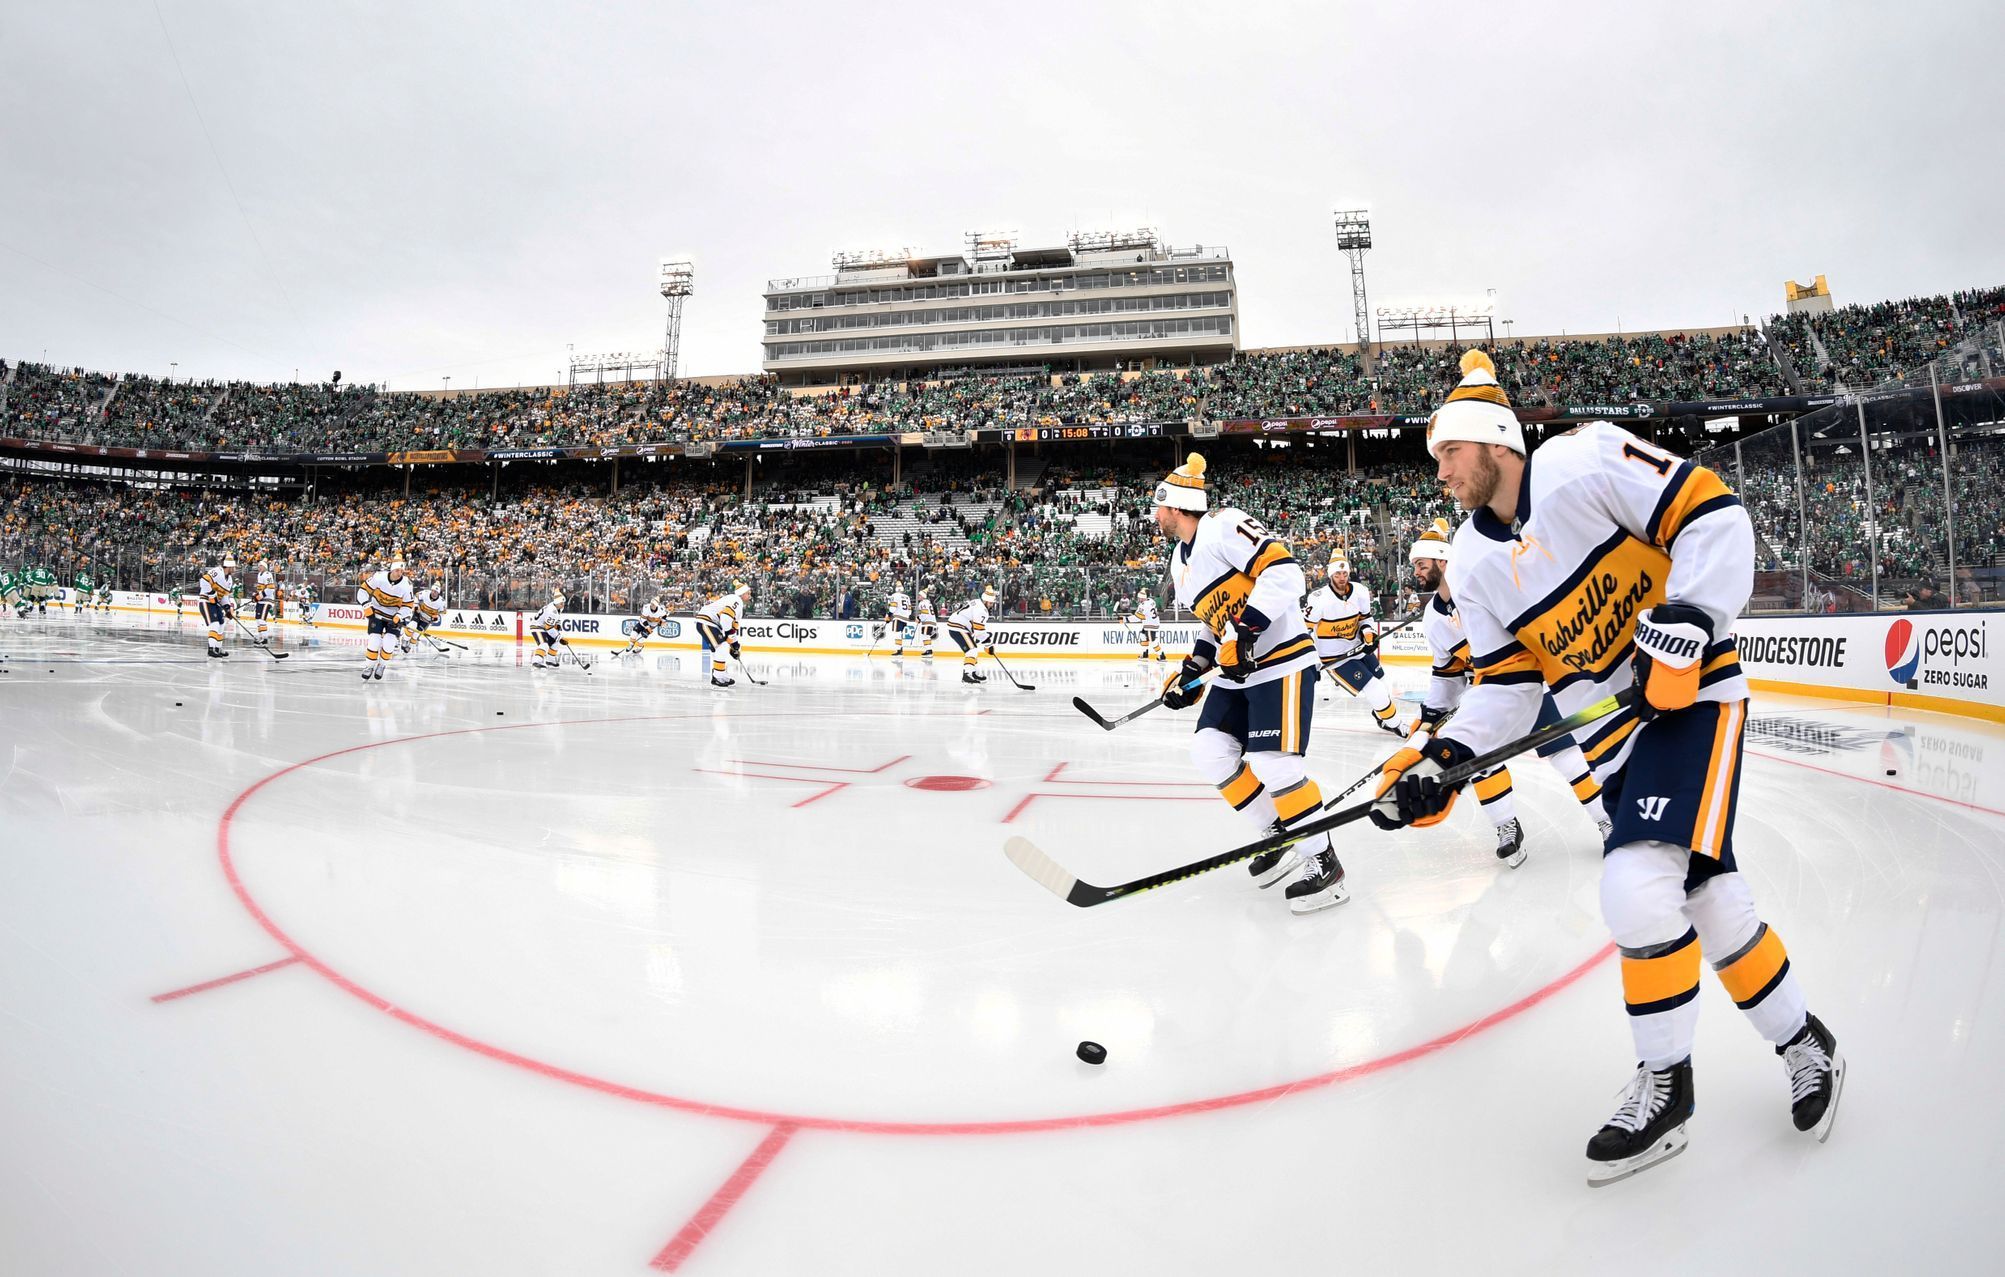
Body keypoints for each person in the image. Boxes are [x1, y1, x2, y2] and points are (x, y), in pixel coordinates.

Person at [1372, 350, 1842, 1185]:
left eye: (1448, 451)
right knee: (1710, 896)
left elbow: (1714, 515)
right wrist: (1439, 759)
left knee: (1632, 883)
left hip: (1693, 700)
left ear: (1494, 444)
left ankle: (1666, 1086)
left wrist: (1690, 616)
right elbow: (1507, 693)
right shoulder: (1474, 566)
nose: (1438, 470)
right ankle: (1806, 1043)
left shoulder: (1579, 460)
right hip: (1617, 742)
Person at [1152, 453, 1346, 914]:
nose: (1154, 516)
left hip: (1279, 662)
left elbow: (1285, 572)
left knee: (1274, 764)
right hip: (1237, 672)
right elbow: (1211, 625)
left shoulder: (1223, 526)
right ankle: (1278, 832)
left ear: (1177, 508)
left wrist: (1245, 631)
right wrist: (1193, 670)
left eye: (1158, 508)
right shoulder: (1181, 563)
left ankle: (1325, 863)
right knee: (1209, 750)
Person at [1407, 517, 1611, 868]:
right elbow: (1447, 673)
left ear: (1443, 562)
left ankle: (1608, 821)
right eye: (1415, 567)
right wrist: (1430, 715)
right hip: (1490, 697)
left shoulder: (1482, 583)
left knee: (1566, 756)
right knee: (1483, 764)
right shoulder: (1432, 619)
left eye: (1422, 565)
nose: (1417, 572)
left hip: (1533, 683)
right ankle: (1506, 827)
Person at [1303, 554, 1403, 736]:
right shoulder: (1318, 599)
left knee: (1383, 683)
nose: (1342, 578)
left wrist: (1368, 633)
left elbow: (1365, 618)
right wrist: (1312, 659)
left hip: (1358, 649)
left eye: (1344, 573)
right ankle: (1397, 725)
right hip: (1335, 658)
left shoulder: (1360, 591)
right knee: (1375, 688)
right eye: (1337, 574)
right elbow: (1307, 630)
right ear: (1330, 575)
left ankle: (1382, 716)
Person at [356, 558, 414, 680]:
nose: (399, 573)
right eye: (397, 570)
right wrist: (366, 605)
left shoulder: (406, 585)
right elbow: (362, 591)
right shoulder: (379, 577)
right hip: (376, 613)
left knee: (389, 643)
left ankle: (382, 665)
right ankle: (369, 666)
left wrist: (399, 616)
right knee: (374, 641)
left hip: (394, 617)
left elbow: (408, 606)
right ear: (392, 569)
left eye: (401, 571)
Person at [696, 582, 751, 687]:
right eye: (748, 593)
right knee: (722, 647)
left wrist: (734, 645)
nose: (749, 595)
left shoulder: (737, 603)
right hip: (707, 622)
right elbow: (725, 619)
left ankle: (720, 675)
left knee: (721, 648)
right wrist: (729, 638)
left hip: (709, 623)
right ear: (742, 593)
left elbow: (732, 627)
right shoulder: (736, 600)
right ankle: (718, 677)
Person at [945, 585, 997, 685]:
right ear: (985, 601)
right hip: (958, 627)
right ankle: (967, 675)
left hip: (959, 625)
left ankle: (972, 673)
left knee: (973, 650)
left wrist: (988, 643)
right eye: (990, 603)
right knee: (972, 650)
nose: (991, 605)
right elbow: (979, 631)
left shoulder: (978, 601)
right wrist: (989, 644)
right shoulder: (982, 610)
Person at [197, 556, 237, 658]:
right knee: (214, 624)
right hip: (206, 601)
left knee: (221, 624)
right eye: (233, 566)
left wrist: (227, 607)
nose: (235, 568)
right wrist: (211, 594)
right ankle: (211, 649)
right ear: (229, 566)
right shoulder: (217, 571)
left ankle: (218, 648)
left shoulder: (230, 579)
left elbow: (224, 596)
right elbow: (204, 580)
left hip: (215, 603)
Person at [1125, 593, 1166, 662]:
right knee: (1143, 635)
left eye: (1139, 598)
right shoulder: (1151, 601)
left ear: (1142, 598)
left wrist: (1125, 619)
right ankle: (1145, 654)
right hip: (1152, 623)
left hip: (1150, 625)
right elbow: (1143, 616)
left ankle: (1161, 656)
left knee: (1153, 641)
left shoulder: (1143, 605)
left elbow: (1138, 617)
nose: (1138, 599)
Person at [529, 591, 565, 669]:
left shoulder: (557, 607)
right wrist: (558, 636)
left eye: (563, 603)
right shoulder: (552, 611)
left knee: (556, 641)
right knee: (544, 644)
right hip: (537, 627)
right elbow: (548, 628)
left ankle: (550, 660)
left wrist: (558, 626)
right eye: (561, 603)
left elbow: (556, 620)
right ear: (557, 602)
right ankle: (536, 661)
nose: (563, 605)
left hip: (544, 627)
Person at [407, 579, 446, 652]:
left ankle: (410, 645)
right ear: (431, 590)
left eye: (436, 592)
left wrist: (436, 617)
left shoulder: (441, 602)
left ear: (438, 593)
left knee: (416, 634)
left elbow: (443, 613)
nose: (434, 593)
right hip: (418, 613)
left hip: (427, 619)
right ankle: (405, 640)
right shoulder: (425, 593)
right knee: (412, 625)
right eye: (433, 591)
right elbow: (417, 596)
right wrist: (416, 606)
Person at [253, 562, 279, 645]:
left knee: (261, 619)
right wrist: (255, 595)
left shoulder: (268, 574)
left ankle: (265, 639)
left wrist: (259, 596)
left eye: (260, 565)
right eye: (258, 565)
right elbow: (260, 589)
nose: (259, 567)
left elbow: (270, 589)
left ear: (265, 567)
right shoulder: (259, 575)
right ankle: (261, 637)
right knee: (258, 619)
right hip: (261, 600)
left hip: (267, 600)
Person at [885, 586, 913, 658]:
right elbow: (910, 610)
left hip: (898, 617)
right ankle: (900, 649)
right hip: (905, 617)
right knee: (900, 633)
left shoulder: (895, 595)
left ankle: (898, 650)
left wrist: (889, 615)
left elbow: (893, 607)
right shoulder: (907, 597)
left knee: (897, 633)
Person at [915, 589, 938, 659]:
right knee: (926, 636)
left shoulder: (922, 603)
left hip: (927, 622)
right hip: (931, 621)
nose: (918, 596)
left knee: (925, 636)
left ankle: (929, 651)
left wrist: (919, 618)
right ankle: (929, 650)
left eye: (919, 595)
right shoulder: (928, 602)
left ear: (923, 596)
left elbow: (924, 614)